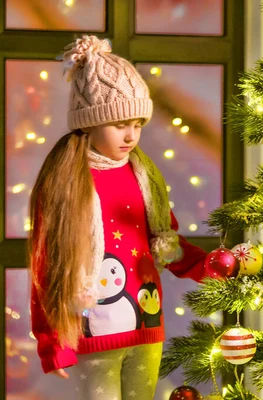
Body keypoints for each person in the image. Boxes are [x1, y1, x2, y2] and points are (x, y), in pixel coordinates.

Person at [29, 35, 208, 399]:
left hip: (146, 326)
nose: (130, 135)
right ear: (89, 123)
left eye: (138, 123)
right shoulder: (64, 183)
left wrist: (211, 267)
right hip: (94, 333)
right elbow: (45, 266)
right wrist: (52, 342)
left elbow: (167, 242)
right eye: (119, 124)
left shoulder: (144, 175)